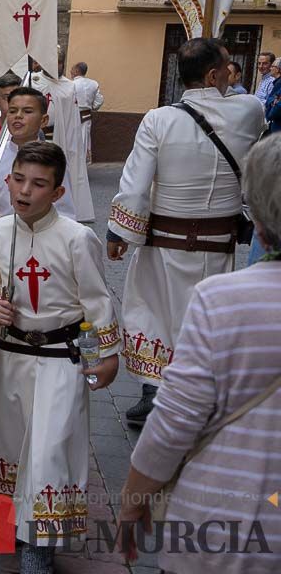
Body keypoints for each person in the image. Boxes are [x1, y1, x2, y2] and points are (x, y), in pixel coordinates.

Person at [117, 134, 281, 574]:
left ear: (259, 218)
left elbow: (175, 421)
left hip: (225, 525)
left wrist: (134, 500)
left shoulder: (222, 300)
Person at [0, 142, 120, 574]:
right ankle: (11, 525)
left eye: (39, 184)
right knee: (8, 443)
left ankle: (38, 545)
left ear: (57, 193)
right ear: (7, 180)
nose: (24, 191)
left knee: (49, 451)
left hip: (61, 359)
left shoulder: (77, 238)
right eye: (19, 180)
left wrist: (104, 356)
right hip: (12, 358)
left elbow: (95, 305)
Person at [108, 38, 265, 424]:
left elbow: (136, 183)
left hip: (163, 241)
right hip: (216, 243)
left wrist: (119, 233)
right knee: (201, 317)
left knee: (153, 313)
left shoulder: (158, 120)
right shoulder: (249, 110)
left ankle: (156, 393)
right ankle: (193, 394)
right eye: (227, 66)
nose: (232, 72)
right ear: (213, 75)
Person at [0, 87, 76, 220]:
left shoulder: (53, 158)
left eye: (27, 111)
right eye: (13, 111)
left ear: (43, 120)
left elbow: (64, 210)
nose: (18, 116)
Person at [30, 62, 94, 222]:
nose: (55, 65)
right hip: (35, 134)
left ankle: (55, 210)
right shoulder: (33, 80)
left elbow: (72, 118)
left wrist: (73, 144)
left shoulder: (69, 86)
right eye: (52, 60)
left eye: (59, 61)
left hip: (59, 136)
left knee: (53, 174)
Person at [69, 62, 105, 163]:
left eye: (72, 69)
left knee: (71, 140)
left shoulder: (70, 84)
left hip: (72, 115)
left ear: (76, 71)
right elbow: (99, 100)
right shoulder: (94, 84)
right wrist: (93, 107)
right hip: (86, 116)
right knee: (84, 141)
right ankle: (82, 166)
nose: (70, 72)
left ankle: (72, 165)